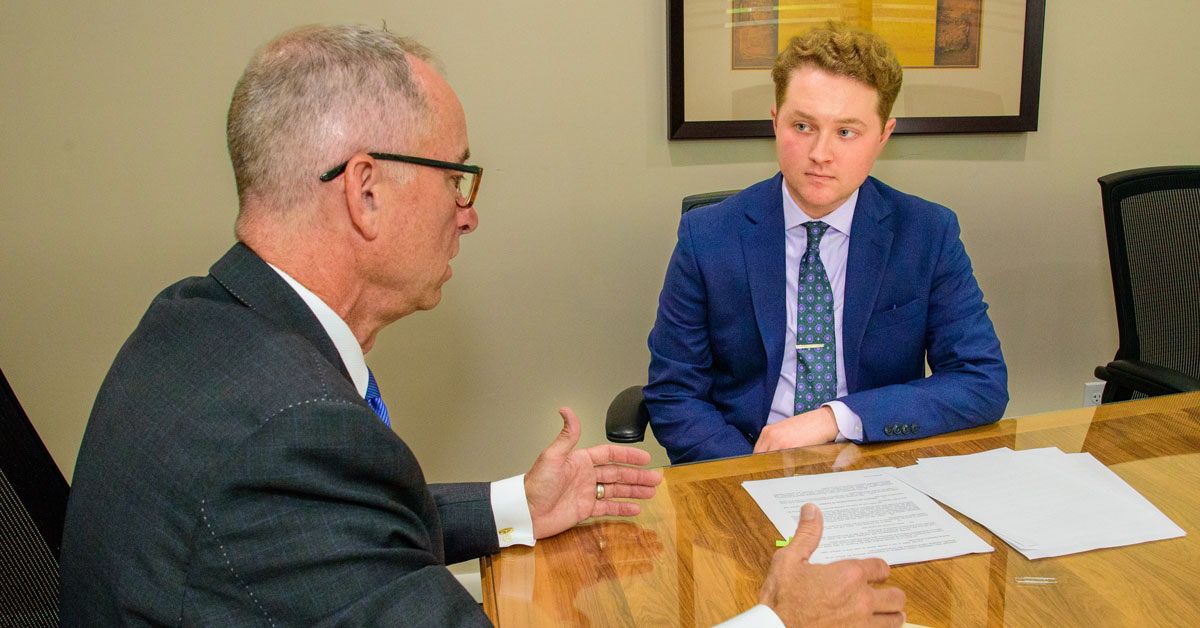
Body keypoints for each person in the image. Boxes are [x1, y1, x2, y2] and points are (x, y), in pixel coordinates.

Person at [57, 23, 904, 627]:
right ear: (365, 190)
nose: (468, 213)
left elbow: (331, 526)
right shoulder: (292, 431)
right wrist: (780, 622)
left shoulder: (199, 319)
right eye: (458, 176)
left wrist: (514, 507)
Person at [645, 25, 1008, 464]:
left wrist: (837, 418)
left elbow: (981, 380)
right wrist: (747, 473)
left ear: (883, 135)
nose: (821, 153)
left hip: (875, 463)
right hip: (740, 460)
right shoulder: (707, 236)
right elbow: (674, 393)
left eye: (846, 132)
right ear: (775, 121)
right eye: (803, 125)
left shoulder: (928, 232)